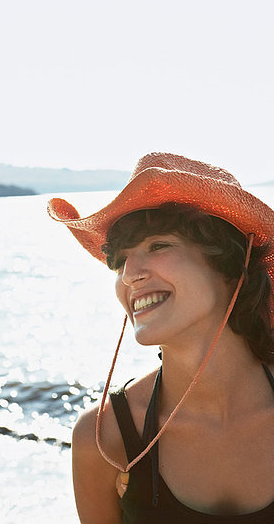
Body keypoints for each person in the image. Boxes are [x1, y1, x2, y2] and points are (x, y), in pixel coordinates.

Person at [47, 153, 274, 523]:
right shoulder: (104, 439)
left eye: (158, 246)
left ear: (233, 265)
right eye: (120, 261)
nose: (129, 275)